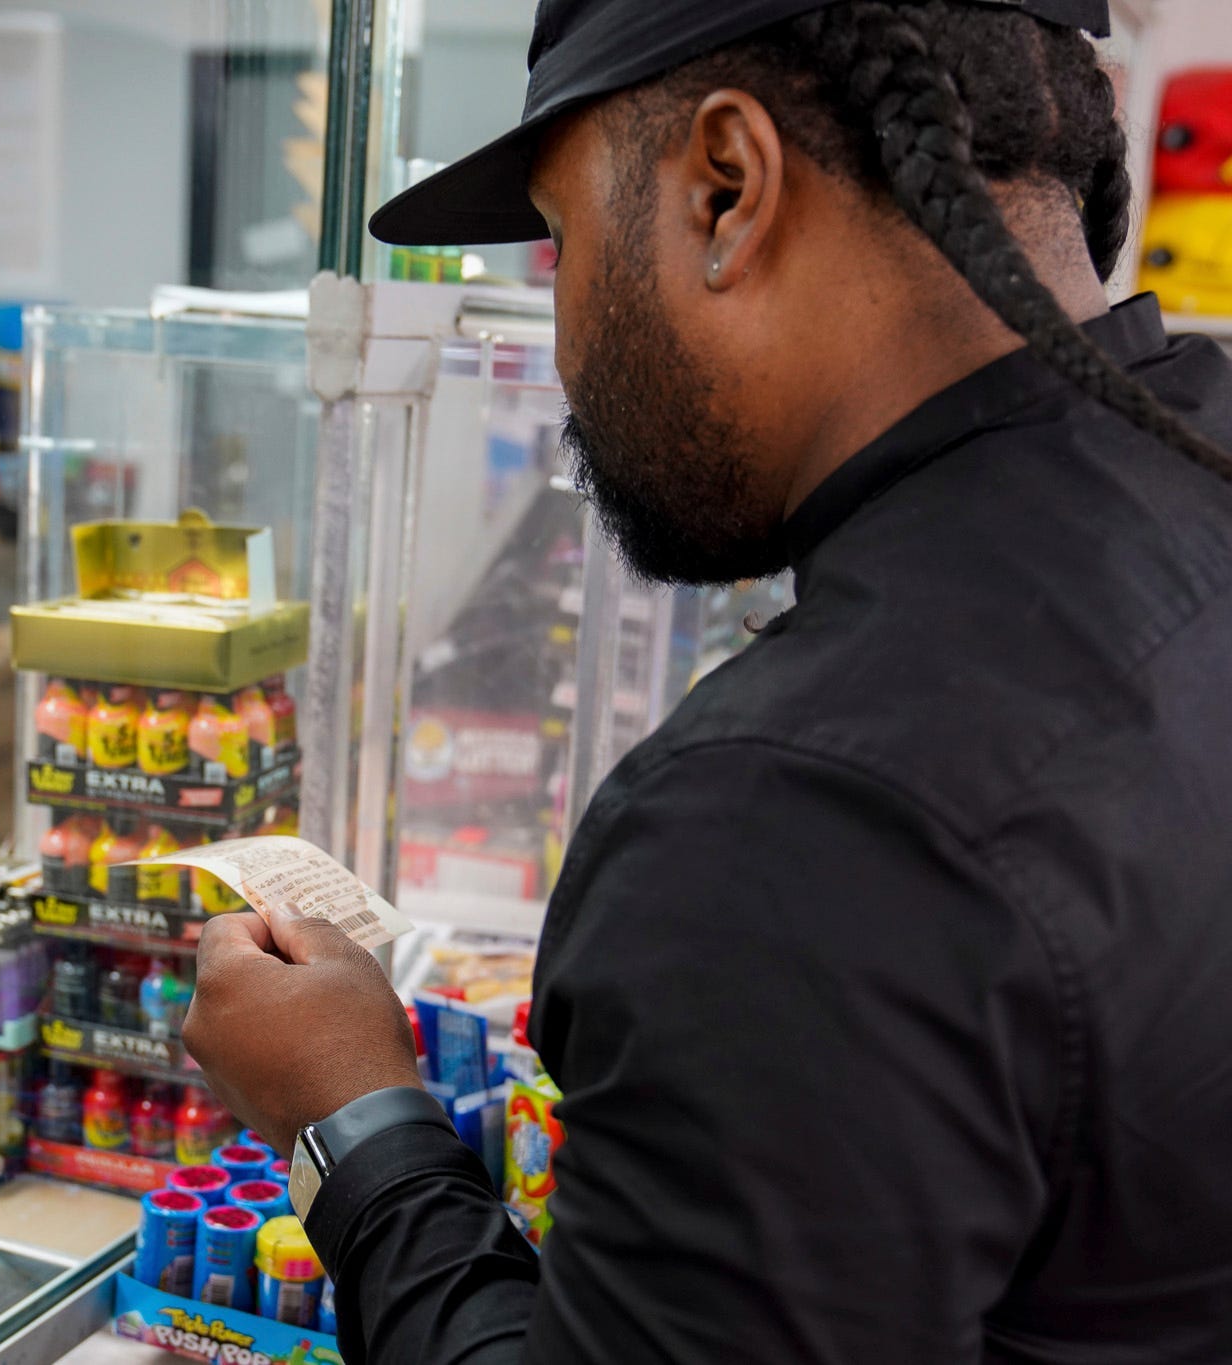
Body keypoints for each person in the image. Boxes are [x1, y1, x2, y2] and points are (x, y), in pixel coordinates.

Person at [182, 1, 1232, 1361]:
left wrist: (356, 1115)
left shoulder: (795, 819)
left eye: (560, 245)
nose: (562, 337)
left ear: (727, 189)